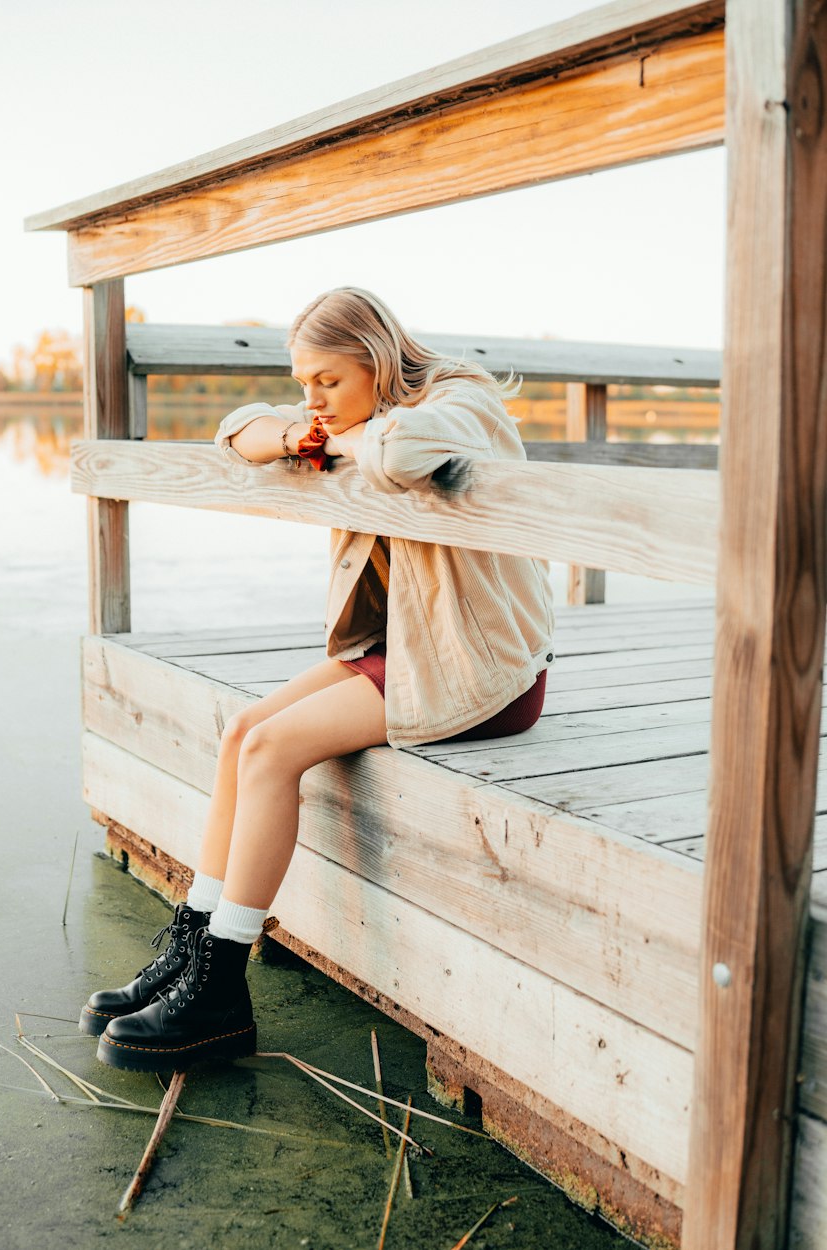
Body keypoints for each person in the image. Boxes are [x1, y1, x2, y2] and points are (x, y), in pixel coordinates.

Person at [80, 287, 555, 1072]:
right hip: (402, 644)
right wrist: (299, 430)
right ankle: (194, 938)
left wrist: (340, 436)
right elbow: (237, 429)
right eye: (304, 381)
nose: (315, 398)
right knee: (242, 732)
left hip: (478, 666)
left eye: (327, 381)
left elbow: (402, 455)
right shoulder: (342, 412)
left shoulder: (462, 399)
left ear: (376, 359)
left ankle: (223, 991)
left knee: (273, 750)